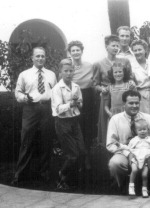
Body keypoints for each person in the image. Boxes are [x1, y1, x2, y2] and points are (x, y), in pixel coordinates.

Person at [106, 90, 150, 193]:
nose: (134, 106)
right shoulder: (115, 119)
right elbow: (110, 144)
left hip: (147, 154)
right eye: (131, 103)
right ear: (124, 104)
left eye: (137, 103)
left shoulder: (148, 118)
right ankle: (123, 186)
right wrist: (127, 153)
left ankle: (148, 186)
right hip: (125, 153)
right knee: (114, 164)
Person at [12, 47, 57, 185]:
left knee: (46, 142)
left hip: (46, 109)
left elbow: (55, 92)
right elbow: (18, 92)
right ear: (32, 58)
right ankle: (20, 175)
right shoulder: (24, 74)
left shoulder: (51, 74)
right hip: (30, 109)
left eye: (42, 56)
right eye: (37, 56)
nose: (40, 58)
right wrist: (23, 98)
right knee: (26, 141)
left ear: (45, 58)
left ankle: (44, 174)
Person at [92, 35, 133, 146]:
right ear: (107, 47)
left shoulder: (125, 61)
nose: (115, 48)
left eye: (117, 45)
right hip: (107, 95)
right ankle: (110, 148)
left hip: (122, 95)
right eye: (113, 45)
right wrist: (102, 88)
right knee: (108, 123)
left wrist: (130, 82)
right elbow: (94, 84)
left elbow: (130, 77)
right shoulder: (98, 64)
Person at [51, 59, 86, 189]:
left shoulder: (76, 87)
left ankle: (72, 179)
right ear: (60, 72)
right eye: (65, 71)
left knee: (81, 151)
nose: (68, 73)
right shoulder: (57, 89)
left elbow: (80, 105)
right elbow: (58, 109)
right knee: (72, 155)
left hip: (74, 121)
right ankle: (61, 177)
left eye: (71, 71)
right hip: (62, 122)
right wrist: (70, 104)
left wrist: (78, 103)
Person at [66, 40, 94, 170]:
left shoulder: (89, 66)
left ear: (82, 51)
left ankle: (87, 157)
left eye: (78, 50)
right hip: (74, 97)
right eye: (73, 50)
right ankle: (78, 159)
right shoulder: (68, 67)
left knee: (87, 128)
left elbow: (95, 80)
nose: (76, 52)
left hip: (88, 98)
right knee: (76, 128)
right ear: (70, 53)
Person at [127, 118, 150, 198]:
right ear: (135, 131)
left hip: (146, 159)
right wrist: (131, 156)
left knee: (145, 175)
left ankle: (144, 189)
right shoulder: (134, 140)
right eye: (140, 130)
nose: (142, 131)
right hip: (135, 159)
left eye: (144, 129)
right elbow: (129, 149)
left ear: (148, 130)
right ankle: (131, 188)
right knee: (134, 170)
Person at [130, 39, 150, 119]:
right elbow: (130, 80)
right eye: (135, 50)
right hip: (140, 95)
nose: (137, 52)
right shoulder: (131, 66)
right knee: (142, 119)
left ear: (145, 50)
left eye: (140, 49)